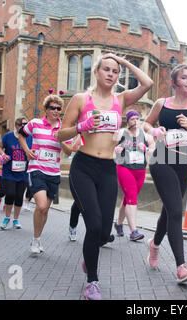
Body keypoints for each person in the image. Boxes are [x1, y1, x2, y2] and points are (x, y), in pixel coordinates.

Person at [58, 53, 153, 300]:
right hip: (84, 167)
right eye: (107, 69)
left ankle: (89, 260)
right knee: (94, 224)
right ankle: (93, 281)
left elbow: (147, 84)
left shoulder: (120, 100)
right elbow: (60, 134)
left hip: (108, 169)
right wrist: (82, 126)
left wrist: (123, 62)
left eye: (115, 71)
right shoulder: (81, 99)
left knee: (102, 233)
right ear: (97, 73)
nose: (111, 74)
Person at [143, 64, 187, 284]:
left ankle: (155, 244)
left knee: (169, 210)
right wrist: (154, 131)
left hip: (184, 163)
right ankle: (181, 266)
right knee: (175, 210)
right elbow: (145, 123)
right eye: (184, 77)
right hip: (161, 159)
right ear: (174, 82)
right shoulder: (162, 104)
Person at [18, 93, 73, 254]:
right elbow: (21, 135)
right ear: (46, 109)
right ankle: (35, 240)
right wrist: (27, 150)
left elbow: (69, 151)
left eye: (58, 108)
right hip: (37, 169)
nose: (56, 111)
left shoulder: (63, 129)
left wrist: (61, 138)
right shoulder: (35, 123)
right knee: (41, 205)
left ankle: (38, 238)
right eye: (53, 108)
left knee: (45, 210)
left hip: (54, 173)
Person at [114, 110, 155, 241]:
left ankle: (118, 224)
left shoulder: (146, 136)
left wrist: (146, 149)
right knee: (132, 197)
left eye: (137, 118)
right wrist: (116, 149)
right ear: (128, 121)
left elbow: (154, 151)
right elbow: (109, 146)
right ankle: (134, 231)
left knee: (128, 198)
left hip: (140, 170)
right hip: (124, 168)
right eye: (132, 119)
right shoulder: (121, 133)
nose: (135, 121)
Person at [0, 117, 32, 230]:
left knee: (19, 196)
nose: (25, 126)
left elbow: (33, 151)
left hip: (23, 172)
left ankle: (16, 219)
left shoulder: (30, 138)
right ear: (17, 125)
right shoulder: (8, 136)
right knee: (10, 194)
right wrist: (3, 155)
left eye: (27, 124)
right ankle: (7, 217)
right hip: (9, 172)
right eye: (23, 124)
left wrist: (30, 156)